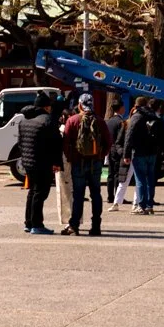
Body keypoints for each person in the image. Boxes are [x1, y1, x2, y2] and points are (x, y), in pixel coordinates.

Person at [61, 93, 110, 235]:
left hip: (78, 163)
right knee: (96, 194)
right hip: (95, 163)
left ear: (80, 105)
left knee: (78, 194)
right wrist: (100, 156)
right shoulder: (100, 121)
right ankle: (96, 226)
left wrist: (71, 157)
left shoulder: (72, 120)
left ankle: (74, 225)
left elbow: (66, 142)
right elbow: (108, 142)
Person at [17, 93, 60, 234]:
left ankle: (28, 222)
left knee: (32, 191)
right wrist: (57, 162)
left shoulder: (24, 120)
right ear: (47, 107)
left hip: (28, 162)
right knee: (40, 193)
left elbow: (20, 143)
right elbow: (55, 144)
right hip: (42, 162)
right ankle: (37, 224)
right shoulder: (48, 120)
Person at [122, 96, 164, 215]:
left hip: (139, 151)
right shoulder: (156, 117)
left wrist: (126, 153)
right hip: (152, 152)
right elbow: (163, 137)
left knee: (140, 179)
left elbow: (129, 136)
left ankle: (141, 205)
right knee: (150, 179)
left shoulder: (137, 116)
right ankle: (149, 204)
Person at [104, 97, 126, 203]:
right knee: (118, 173)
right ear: (121, 108)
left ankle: (110, 196)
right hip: (117, 149)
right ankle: (118, 197)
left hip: (109, 149)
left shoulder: (109, 121)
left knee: (110, 173)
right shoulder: (121, 122)